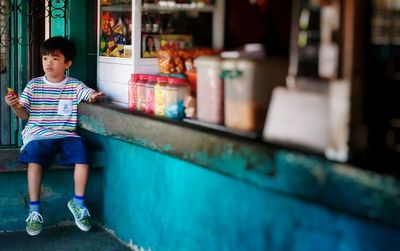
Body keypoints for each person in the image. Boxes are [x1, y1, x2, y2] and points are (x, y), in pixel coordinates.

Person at [4, 36, 105, 236]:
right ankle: (34, 210)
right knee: (35, 159)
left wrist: (93, 96)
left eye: (55, 59)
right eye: (45, 58)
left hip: (65, 133)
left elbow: (87, 93)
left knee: (82, 155)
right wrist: (14, 105)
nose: (48, 63)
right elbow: (24, 115)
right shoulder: (34, 85)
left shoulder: (74, 85)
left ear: (67, 63)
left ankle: (78, 203)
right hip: (38, 133)